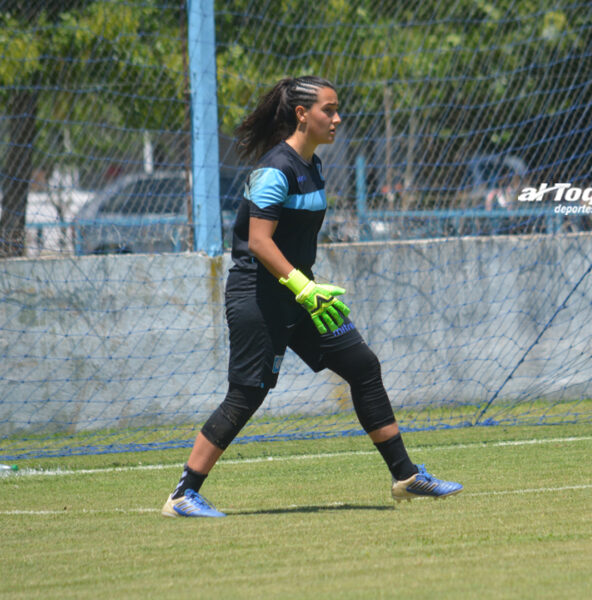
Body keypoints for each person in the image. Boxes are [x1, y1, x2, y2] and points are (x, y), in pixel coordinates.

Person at [162, 76, 462, 517]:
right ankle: (183, 494)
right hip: (259, 294)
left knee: (362, 365)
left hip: (301, 294)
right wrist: (303, 286)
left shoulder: (314, 166)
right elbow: (259, 242)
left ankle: (405, 476)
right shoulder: (274, 170)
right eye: (329, 109)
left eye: (337, 109)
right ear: (303, 115)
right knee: (248, 393)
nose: (337, 118)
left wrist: (308, 288)